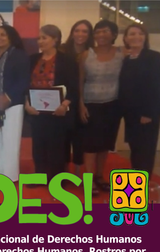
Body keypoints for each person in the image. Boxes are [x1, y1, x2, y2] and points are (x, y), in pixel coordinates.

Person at [25, 24, 78, 183]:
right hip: (36, 111)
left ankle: (57, 180)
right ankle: (40, 176)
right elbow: (25, 85)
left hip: (58, 112)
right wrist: (27, 105)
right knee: (38, 146)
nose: (40, 41)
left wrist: (64, 105)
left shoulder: (67, 60)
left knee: (57, 147)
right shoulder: (32, 59)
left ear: (55, 40)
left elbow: (74, 87)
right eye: (39, 38)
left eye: (44, 38)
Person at [79, 20, 124, 196]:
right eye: (98, 32)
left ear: (114, 34)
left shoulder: (122, 53)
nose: (101, 35)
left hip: (113, 104)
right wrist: (81, 104)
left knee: (105, 144)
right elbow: (80, 82)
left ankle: (99, 176)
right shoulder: (86, 54)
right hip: (91, 104)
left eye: (105, 31)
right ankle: (89, 180)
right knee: (90, 145)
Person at [0, 25, 30, 182]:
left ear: (11, 37)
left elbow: (24, 80)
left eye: (3, 35)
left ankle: (11, 177)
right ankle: (0, 172)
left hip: (12, 104)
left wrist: (8, 97)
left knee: (10, 142)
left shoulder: (19, 55)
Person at [119, 23, 160, 177]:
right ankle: (136, 180)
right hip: (131, 113)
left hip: (147, 112)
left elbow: (155, 85)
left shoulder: (153, 56)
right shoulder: (127, 59)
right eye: (132, 34)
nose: (136, 37)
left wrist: (147, 113)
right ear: (126, 38)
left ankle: (142, 183)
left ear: (145, 37)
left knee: (145, 150)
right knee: (135, 148)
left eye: (140, 33)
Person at [60, 20, 94, 176]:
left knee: (81, 137)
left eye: (85, 31)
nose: (80, 34)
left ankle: (79, 170)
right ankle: (64, 170)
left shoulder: (92, 52)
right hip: (64, 101)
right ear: (72, 33)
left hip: (85, 100)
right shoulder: (61, 50)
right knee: (64, 138)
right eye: (77, 30)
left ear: (89, 35)